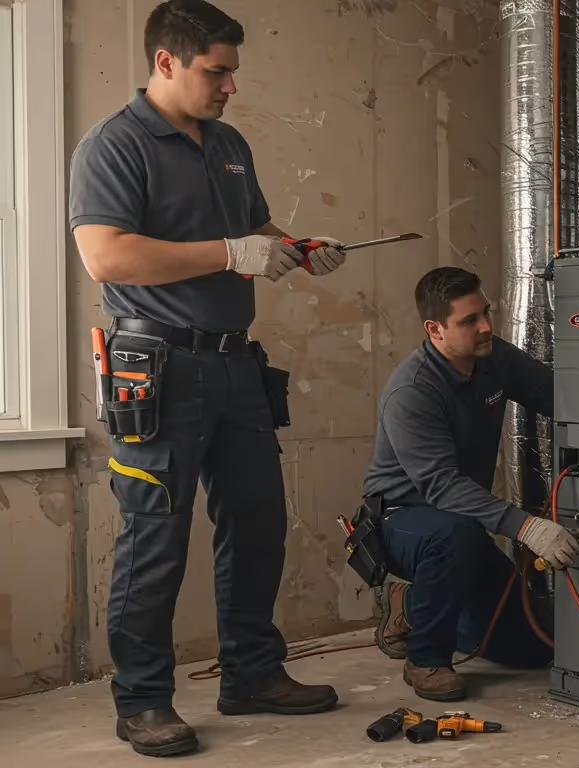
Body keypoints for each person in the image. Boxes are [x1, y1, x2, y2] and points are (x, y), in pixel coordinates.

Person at [68, 1, 349, 757]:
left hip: (235, 363)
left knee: (257, 523)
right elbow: (108, 257)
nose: (229, 86)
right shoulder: (114, 145)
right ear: (166, 62)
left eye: (232, 72)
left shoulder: (227, 143)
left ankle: (253, 673)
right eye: (215, 72)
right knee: (155, 536)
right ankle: (143, 702)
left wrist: (294, 247)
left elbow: (251, 233)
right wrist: (229, 255)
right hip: (156, 367)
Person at [362, 267, 579, 702]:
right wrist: (527, 528)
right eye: (469, 320)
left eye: (486, 313)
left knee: (532, 648)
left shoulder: (492, 357)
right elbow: (441, 487)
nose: (485, 326)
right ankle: (425, 658)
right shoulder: (413, 392)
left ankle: (416, 604)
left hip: (457, 524)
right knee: (454, 534)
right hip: (402, 518)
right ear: (435, 329)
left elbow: (554, 393)